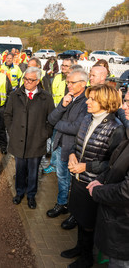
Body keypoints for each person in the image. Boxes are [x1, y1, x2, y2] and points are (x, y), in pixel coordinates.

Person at [61, 84, 125, 268]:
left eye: (93, 99)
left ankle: (87, 258)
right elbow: (78, 143)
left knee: (89, 223)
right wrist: (73, 154)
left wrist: (86, 166)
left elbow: (113, 165)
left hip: (93, 184)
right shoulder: (87, 119)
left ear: (105, 102)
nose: (88, 101)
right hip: (78, 179)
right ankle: (79, 248)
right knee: (80, 217)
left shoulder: (116, 128)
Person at [87, 90, 129, 268]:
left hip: (124, 229)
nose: (123, 107)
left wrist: (97, 190)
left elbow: (126, 191)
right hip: (117, 222)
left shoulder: (118, 129)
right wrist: (102, 179)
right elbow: (115, 164)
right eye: (124, 101)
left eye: (128, 102)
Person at [4, 67, 54, 208]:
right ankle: (19, 193)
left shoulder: (46, 98)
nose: (27, 82)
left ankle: (31, 195)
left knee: (33, 172)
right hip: (18, 141)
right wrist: (12, 131)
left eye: (31, 80)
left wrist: (45, 135)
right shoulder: (15, 95)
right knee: (20, 170)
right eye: (25, 79)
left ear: (37, 81)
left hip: (36, 142)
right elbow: (8, 115)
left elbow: (51, 120)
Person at [46, 69, 88, 218]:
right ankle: (63, 203)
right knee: (61, 177)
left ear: (83, 84)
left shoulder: (86, 102)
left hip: (72, 148)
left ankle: (66, 206)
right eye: (68, 82)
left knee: (68, 180)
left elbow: (76, 128)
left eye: (72, 82)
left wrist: (58, 124)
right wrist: (63, 105)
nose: (68, 85)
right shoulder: (69, 98)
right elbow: (51, 118)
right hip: (60, 144)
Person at [43, 58, 75, 174]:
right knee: (54, 141)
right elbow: (52, 94)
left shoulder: (76, 81)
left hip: (70, 117)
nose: (63, 67)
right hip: (58, 114)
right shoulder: (57, 78)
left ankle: (63, 167)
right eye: (63, 65)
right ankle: (53, 164)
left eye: (66, 66)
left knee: (66, 144)